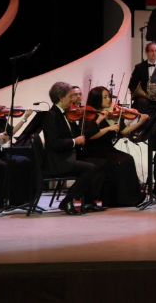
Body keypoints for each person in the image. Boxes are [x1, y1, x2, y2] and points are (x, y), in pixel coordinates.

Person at [41, 81, 106, 214]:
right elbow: (54, 143)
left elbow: (82, 136)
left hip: (67, 156)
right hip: (58, 161)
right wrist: (74, 142)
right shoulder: (51, 116)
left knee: (101, 163)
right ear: (61, 98)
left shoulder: (65, 114)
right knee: (90, 168)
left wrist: (98, 122)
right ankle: (67, 201)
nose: (73, 99)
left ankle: (88, 201)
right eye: (71, 96)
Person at [80, 85, 145, 207]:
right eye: (104, 97)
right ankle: (114, 199)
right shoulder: (91, 114)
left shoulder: (112, 114)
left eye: (109, 96)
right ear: (96, 99)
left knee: (128, 158)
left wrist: (140, 121)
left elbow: (123, 131)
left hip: (107, 148)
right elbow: (90, 136)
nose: (108, 99)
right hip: (94, 150)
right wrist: (108, 128)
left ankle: (130, 197)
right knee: (120, 161)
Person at [130, 42, 156, 113]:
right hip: (145, 96)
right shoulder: (139, 67)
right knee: (143, 102)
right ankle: (145, 122)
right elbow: (132, 84)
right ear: (146, 52)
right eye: (151, 51)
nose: (154, 53)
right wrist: (142, 94)